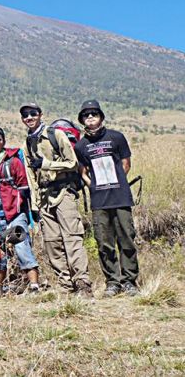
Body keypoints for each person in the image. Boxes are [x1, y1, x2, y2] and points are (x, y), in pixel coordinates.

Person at [21, 102, 92, 295]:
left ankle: (83, 284)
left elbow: (72, 163)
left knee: (72, 239)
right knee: (52, 242)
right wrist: (35, 203)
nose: (29, 117)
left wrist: (47, 164)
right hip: (44, 197)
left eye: (33, 113)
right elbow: (32, 175)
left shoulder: (55, 135)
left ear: (40, 114)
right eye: (25, 115)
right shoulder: (29, 141)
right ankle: (65, 286)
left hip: (64, 192)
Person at [74, 100, 139, 296]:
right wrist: (93, 186)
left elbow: (126, 163)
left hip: (120, 198)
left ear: (101, 117)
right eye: (86, 115)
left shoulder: (116, 137)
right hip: (99, 201)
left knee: (126, 239)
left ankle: (129, 282)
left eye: (94, 113)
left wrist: (117, 181)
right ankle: (113, 282)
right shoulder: (81, 146)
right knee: (104, 242)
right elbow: (83, 171)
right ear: (82, 120)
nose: (91, 117)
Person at [0, 126, 40, 293]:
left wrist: (14, 208)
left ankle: (34, 285)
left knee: (22, 247)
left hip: (13, 215)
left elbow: (23, 188)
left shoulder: (13, 162)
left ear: (3, 141)